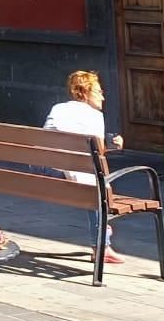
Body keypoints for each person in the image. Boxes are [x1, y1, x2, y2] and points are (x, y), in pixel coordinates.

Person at [45, 69, 125, 265]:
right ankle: (102, 245)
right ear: (84, 92)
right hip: (73, 174)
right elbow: (97, 152)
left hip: (44, 173)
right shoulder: (94, 116)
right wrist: (116, 145)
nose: (103, 97)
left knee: (91, 177)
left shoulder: (58, 108)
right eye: (98, 91)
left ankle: (103, 233)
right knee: (96, 182)